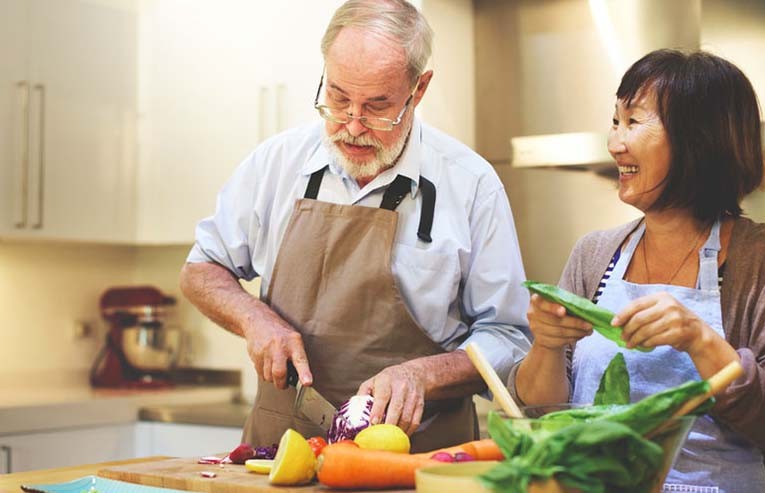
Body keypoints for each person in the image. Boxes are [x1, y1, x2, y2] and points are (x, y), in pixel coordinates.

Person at [180, 0, 531, 452]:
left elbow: (509, 336)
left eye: (377, 106)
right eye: (339, 98)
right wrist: (255, 320)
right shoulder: (276, 164)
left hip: (421, 461)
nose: (353, 125)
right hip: (281, 456)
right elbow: (201, 269)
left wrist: (424, 375)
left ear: (419, 89)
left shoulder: (471, 185)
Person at [510, 49, 765, 492]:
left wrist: (700, 340)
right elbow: (544, 411)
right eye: (615, 122)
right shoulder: (595, 253)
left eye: (633, 122)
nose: (615, 143)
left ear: (697, 139)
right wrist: (547, 344)